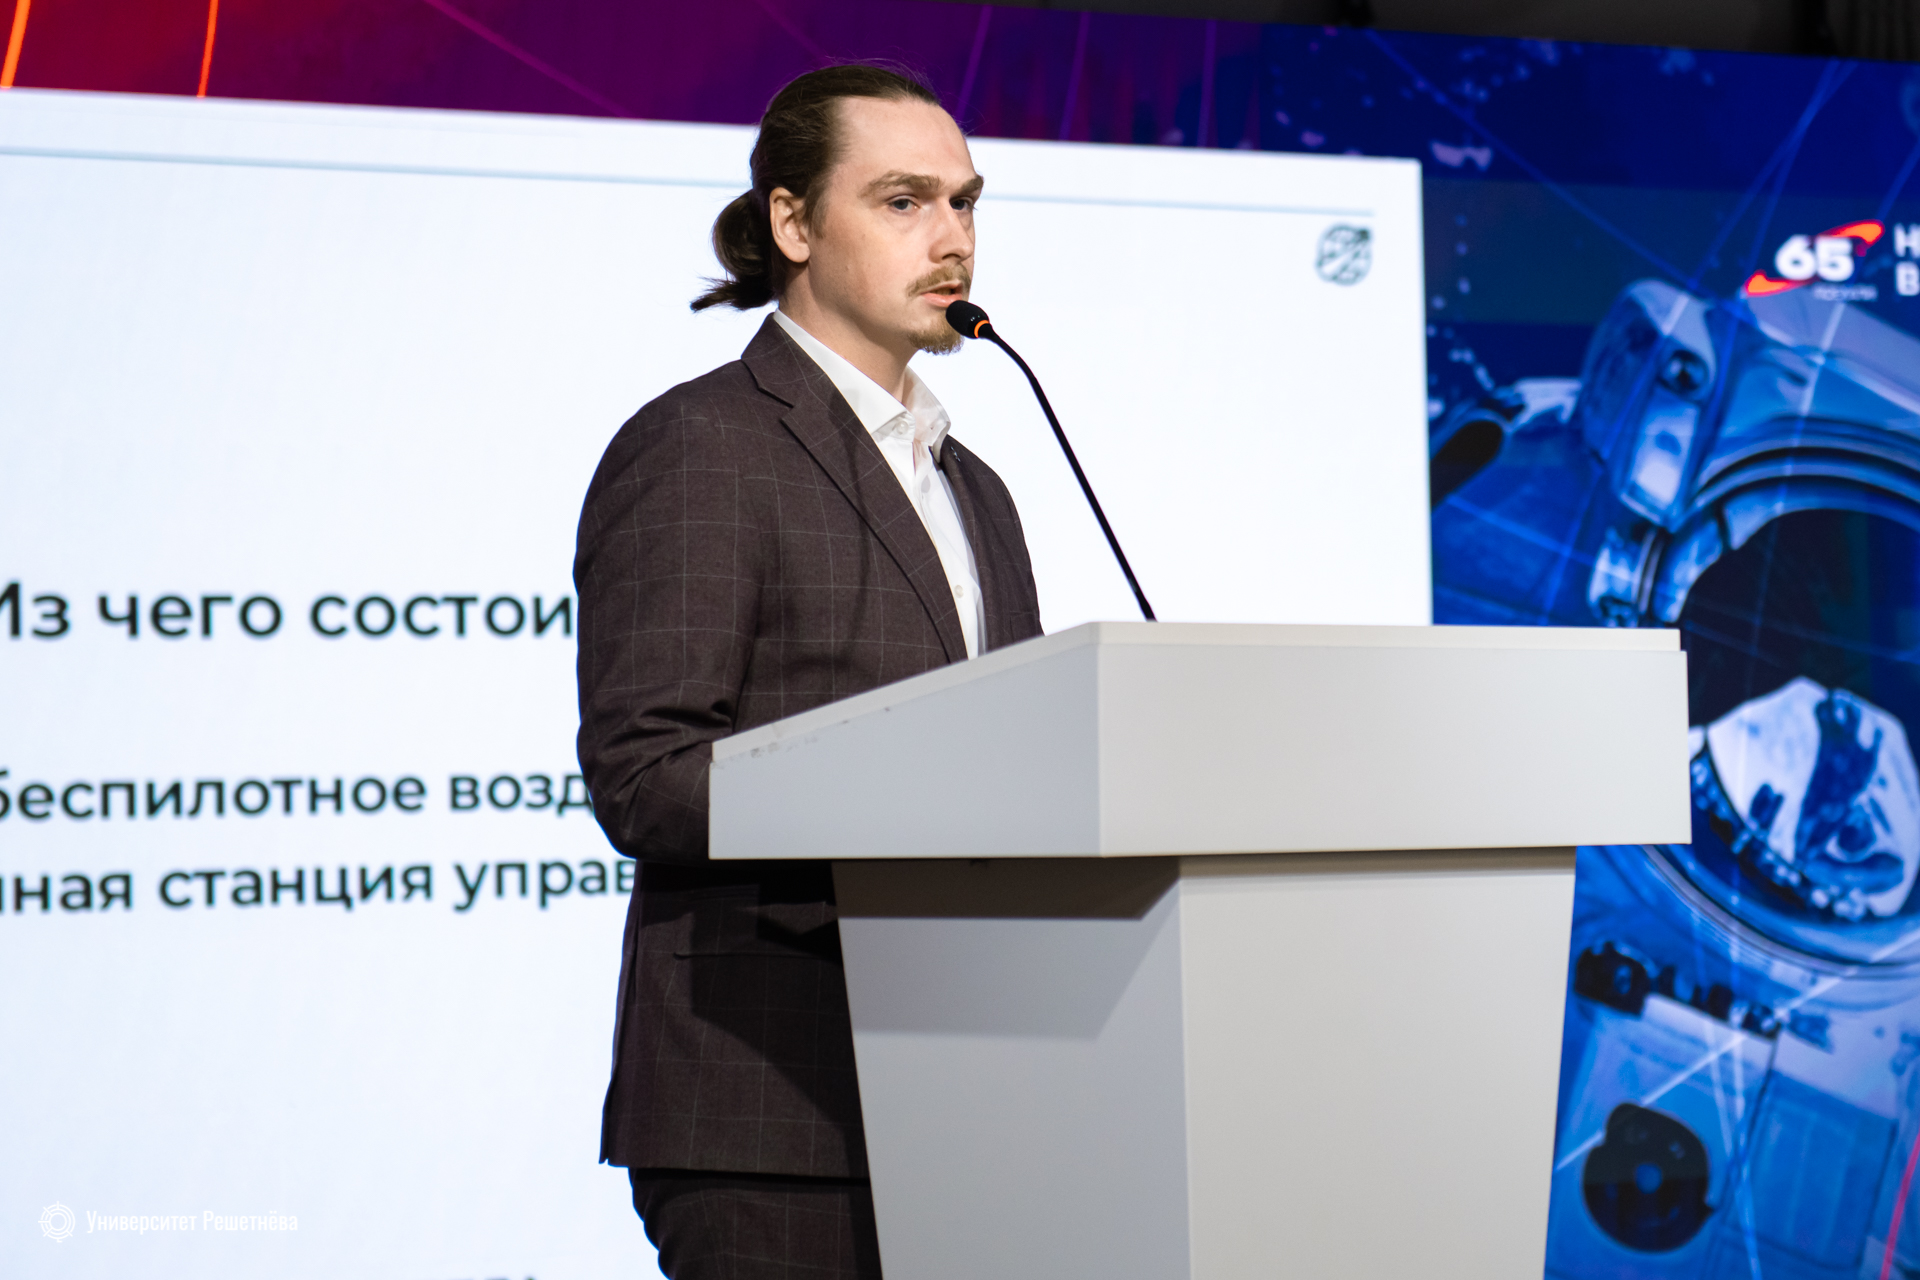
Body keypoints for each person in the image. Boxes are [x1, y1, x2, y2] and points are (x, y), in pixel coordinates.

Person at [573, 63, 1043, 1280]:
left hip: (974, 1102)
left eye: (965, 202)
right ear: (792, 222)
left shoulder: (977, 487)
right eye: (903, 201)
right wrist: (911, 796)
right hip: (771, 1110)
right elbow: (645, 772)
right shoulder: (702, 444)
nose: (952, 237)